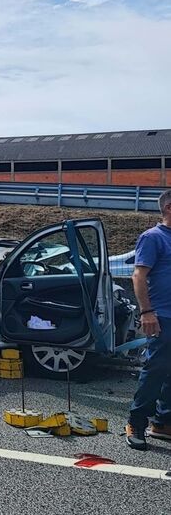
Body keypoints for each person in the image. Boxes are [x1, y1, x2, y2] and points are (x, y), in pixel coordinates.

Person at [126, 189, 171, 450]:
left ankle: (163, 422)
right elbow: (138, 276)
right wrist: (146, 312)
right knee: (155, 369)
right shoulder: (153, 238)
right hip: (162, 315)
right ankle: (137, 421)